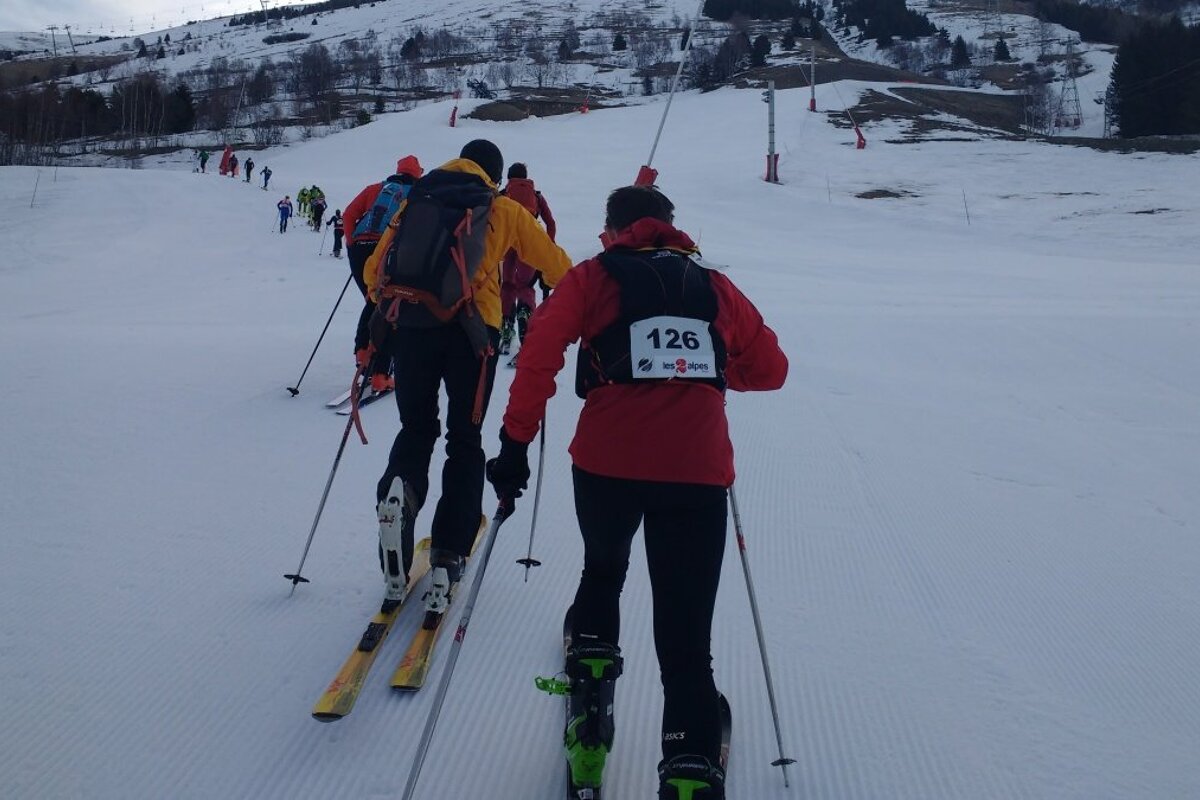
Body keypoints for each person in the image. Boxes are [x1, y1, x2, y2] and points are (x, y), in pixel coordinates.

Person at [485, 186, 788, 800]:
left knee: (603, 574)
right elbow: (772, 369)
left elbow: (539, 353)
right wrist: (705, 368)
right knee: (685, 645)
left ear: (610, 228)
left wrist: (515, 445)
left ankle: (590, 715)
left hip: (605, 466)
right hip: (698, 473)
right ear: (673, 227)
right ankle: (689, 772)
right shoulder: (714, 286)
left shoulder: (595, 275)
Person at [363, 139, 572, 608]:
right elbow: (556, 265)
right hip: (473, 339)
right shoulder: (499, 207)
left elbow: (376, 269)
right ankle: (448, 554)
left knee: (416, 429)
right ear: (493, 177)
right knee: (464, 439)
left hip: (412, 329)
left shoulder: (418, 198)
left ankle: (400, 493)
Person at [343, 155, 424, 390]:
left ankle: (363, 352)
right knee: (389, 306)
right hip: (387, 250)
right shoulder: (416, 193)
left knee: (373, 300)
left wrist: (351, 244)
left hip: (359, 247)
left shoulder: (376, 189)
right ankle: (381, 373)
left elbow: (349, 215)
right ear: (417, 173)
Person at [498, 163, 557, 365]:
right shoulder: (537, 197)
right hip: (530, 246)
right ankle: (525, 331)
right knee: (525, 286)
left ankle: (506, 328)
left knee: (507, 286)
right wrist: (547, 246)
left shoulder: (503, 194)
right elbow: (551, 223)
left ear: (509, 178)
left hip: (507, 246)